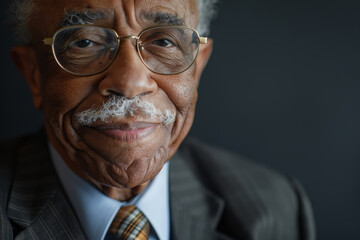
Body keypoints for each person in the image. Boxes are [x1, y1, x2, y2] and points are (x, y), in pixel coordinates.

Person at [0, 0, 315, 239]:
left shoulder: (277, 209)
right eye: (84, 42)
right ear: (33, 75)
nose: (130, 82)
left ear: (197, 69)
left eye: (164, 41)